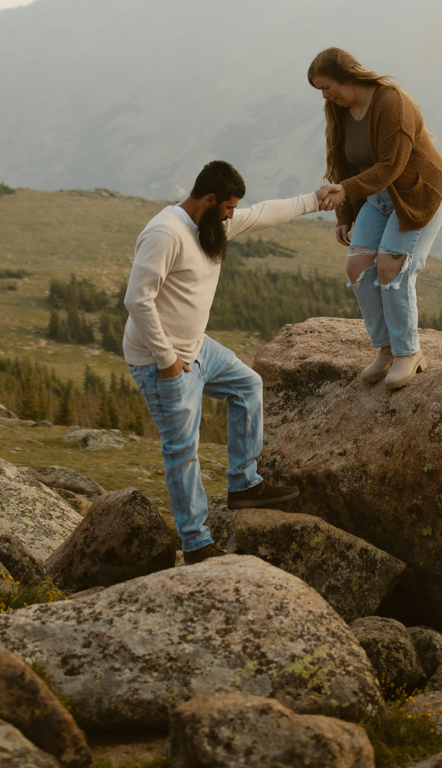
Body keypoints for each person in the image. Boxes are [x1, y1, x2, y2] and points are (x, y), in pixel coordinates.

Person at [123, 159, 341, 563]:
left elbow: (264, 214)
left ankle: (243, 484)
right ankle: (196, 544)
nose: (232, 216)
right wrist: (167, 359)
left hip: (197, 348)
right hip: (162, 361)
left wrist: (315, 199)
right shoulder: (165, 233)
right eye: (227, 208)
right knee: (182, 451)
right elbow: (137, 299)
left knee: (248, 385)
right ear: (209, 200)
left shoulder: (210, 226)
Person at [307, 47, 442, 391]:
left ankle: (408, 352)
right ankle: (386, 349)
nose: (326, 96)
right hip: (376, 197)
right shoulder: (339, 110)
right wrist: (345, 213)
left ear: (347, 76)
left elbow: (392, 166)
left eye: (328, 87)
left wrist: (346, 191)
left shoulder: (390, 103)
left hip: (418, 192)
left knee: (391, 265)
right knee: (358, 267)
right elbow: (342, 163)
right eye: (321, 91)